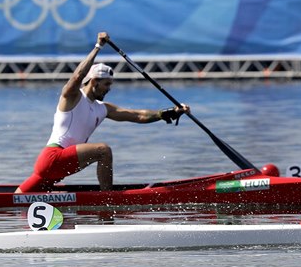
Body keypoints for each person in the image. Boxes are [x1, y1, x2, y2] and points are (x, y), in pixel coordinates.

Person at [16, 32, 190, 193]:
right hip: (53, 158)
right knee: (103, 150)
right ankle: (108, 198)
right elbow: (77, 77)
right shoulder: (73, 96)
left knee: (16, 198)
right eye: (106, 84)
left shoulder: (102, 108)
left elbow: (137, 115)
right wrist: (97, 47)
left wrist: (167, 113)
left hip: (60, 167)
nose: (109, 89)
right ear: (93, 81)